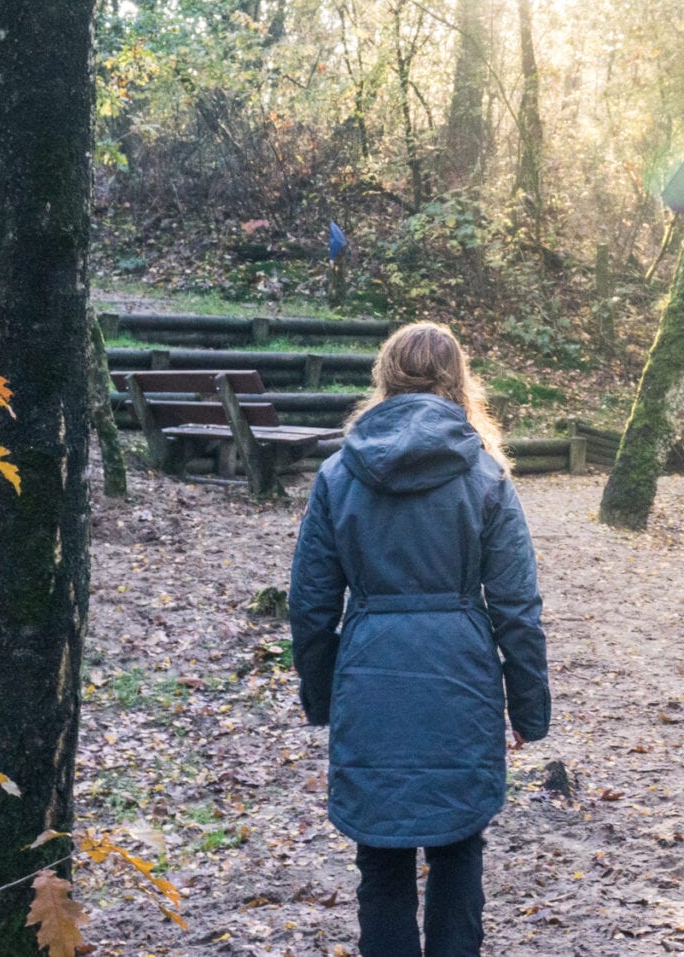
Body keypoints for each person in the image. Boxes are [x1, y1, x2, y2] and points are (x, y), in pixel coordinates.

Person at [291, 321, 551, 957]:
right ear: (458, 382)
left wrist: (324, 697)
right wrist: (528, 708)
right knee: (459, 852)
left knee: (380, 863)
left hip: (370, 676)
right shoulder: (485, 476)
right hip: (458, 677)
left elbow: (310, 606)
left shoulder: (337, 474)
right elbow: (516, 606)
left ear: (384, 377)